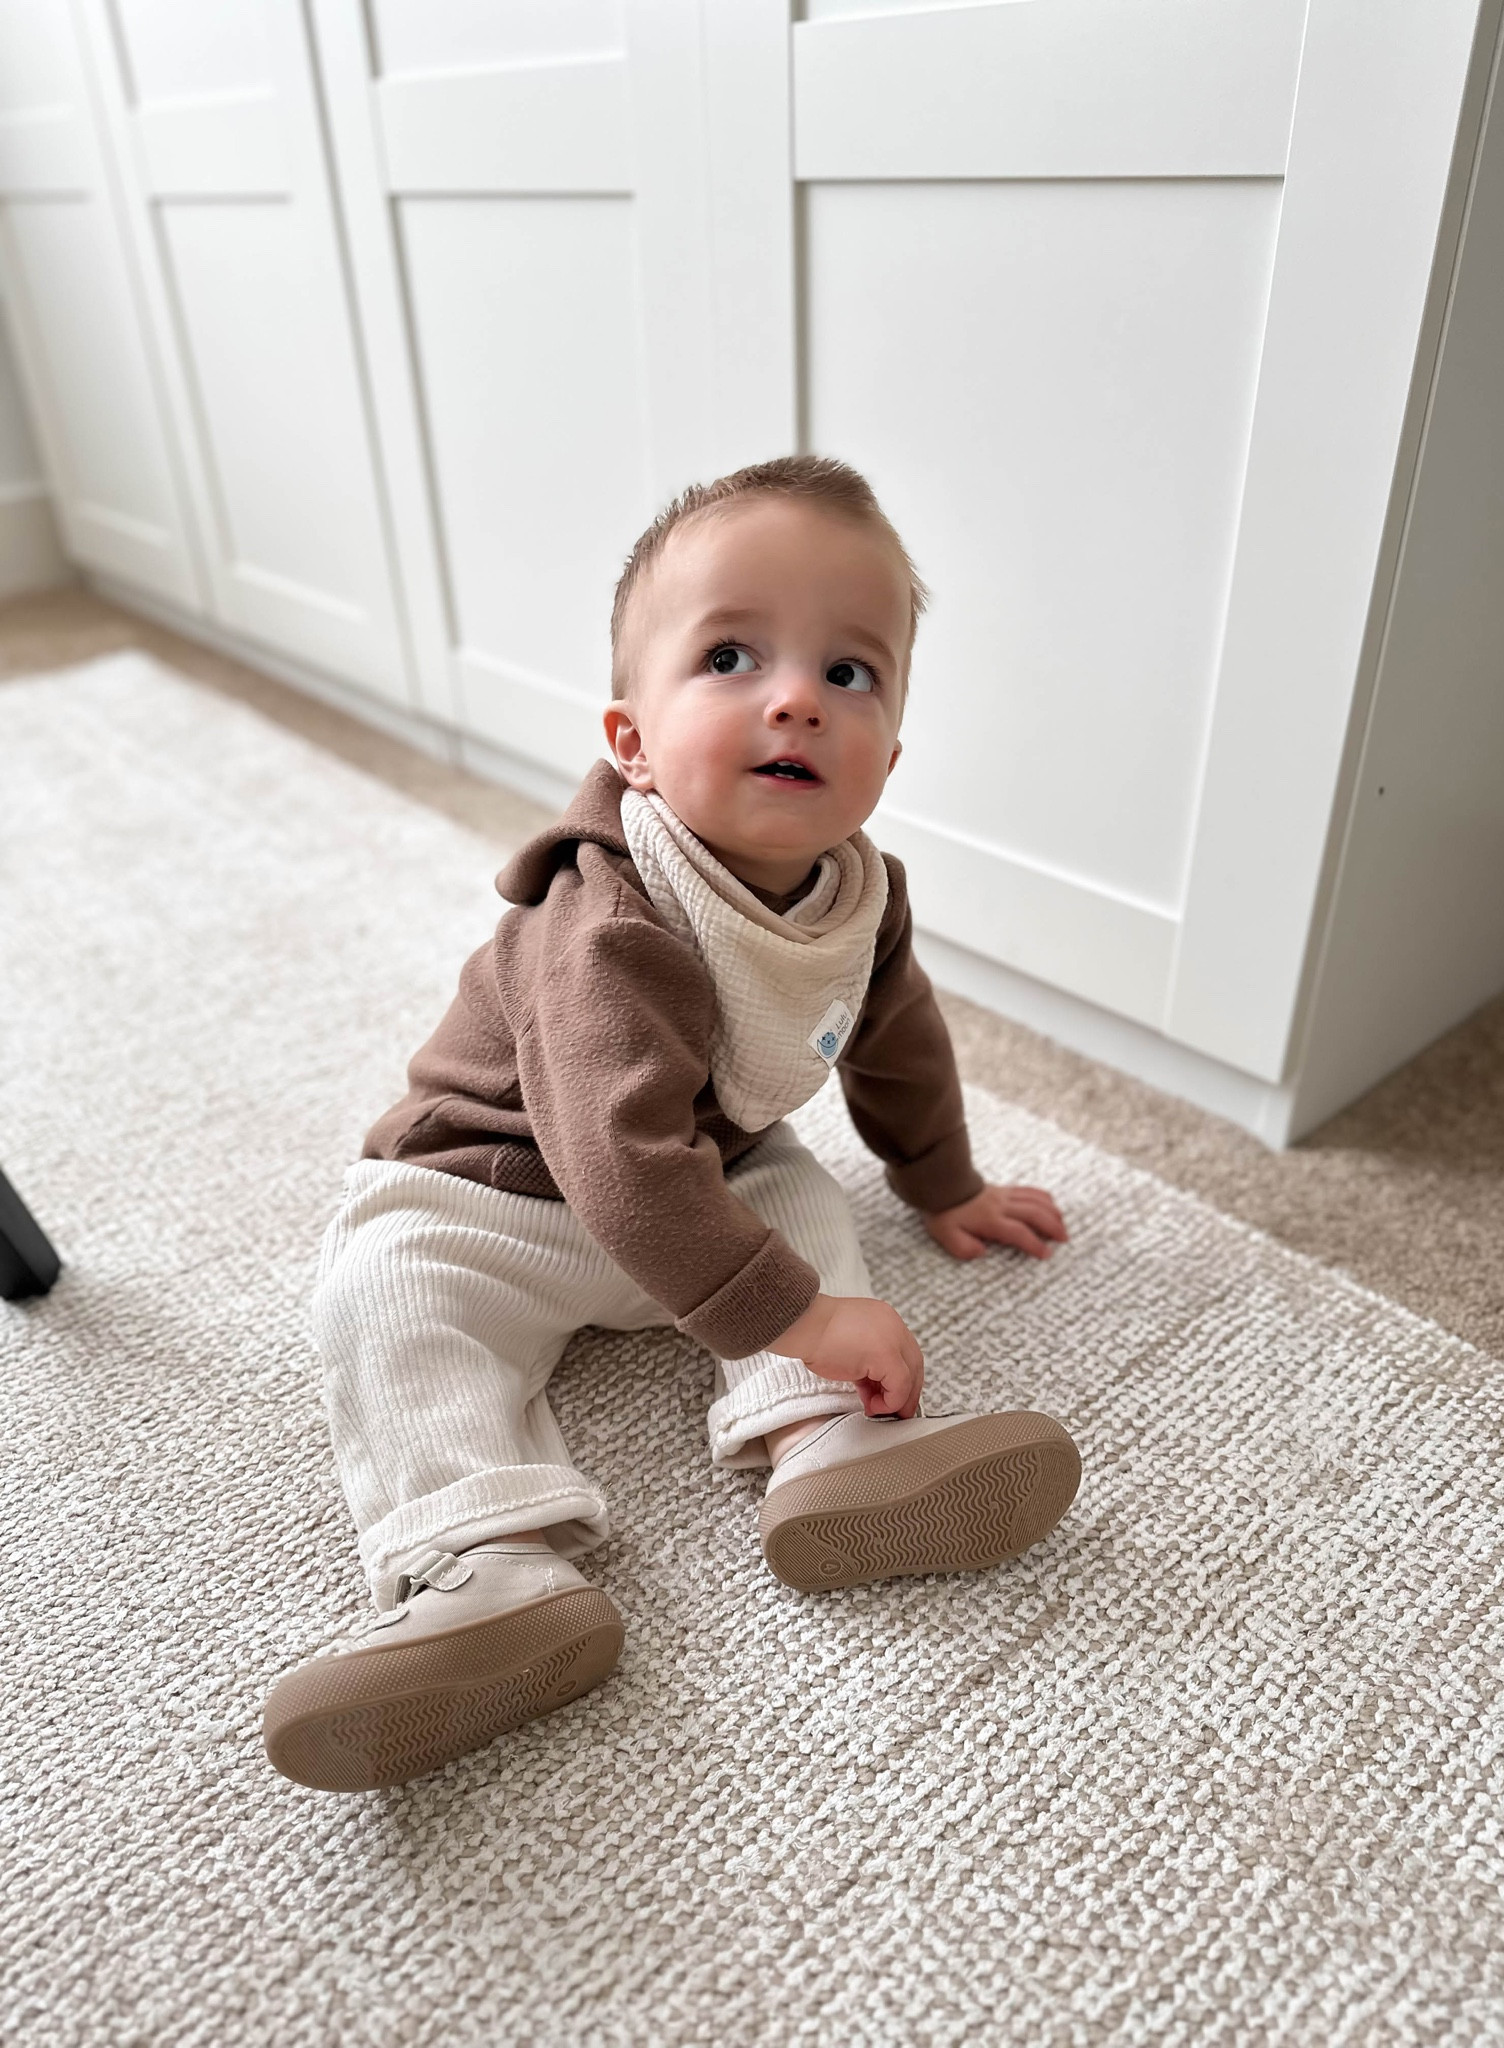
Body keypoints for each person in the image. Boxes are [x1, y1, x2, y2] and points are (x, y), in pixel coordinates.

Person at [263, 456, 1081, 1793]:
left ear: (891, 749)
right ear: (630, 742)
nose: (796, 698)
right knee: (383, 1296)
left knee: (795, 1190)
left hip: (704, 1168)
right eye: (732, 655)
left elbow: (897, 1040)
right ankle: (481, 1565)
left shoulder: (858, 897)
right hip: (501, 1190)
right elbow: (613, 1158)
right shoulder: (612, 915)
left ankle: (823, 1443)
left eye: (851, 673)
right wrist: (801, 1310)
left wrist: (943, 1181)